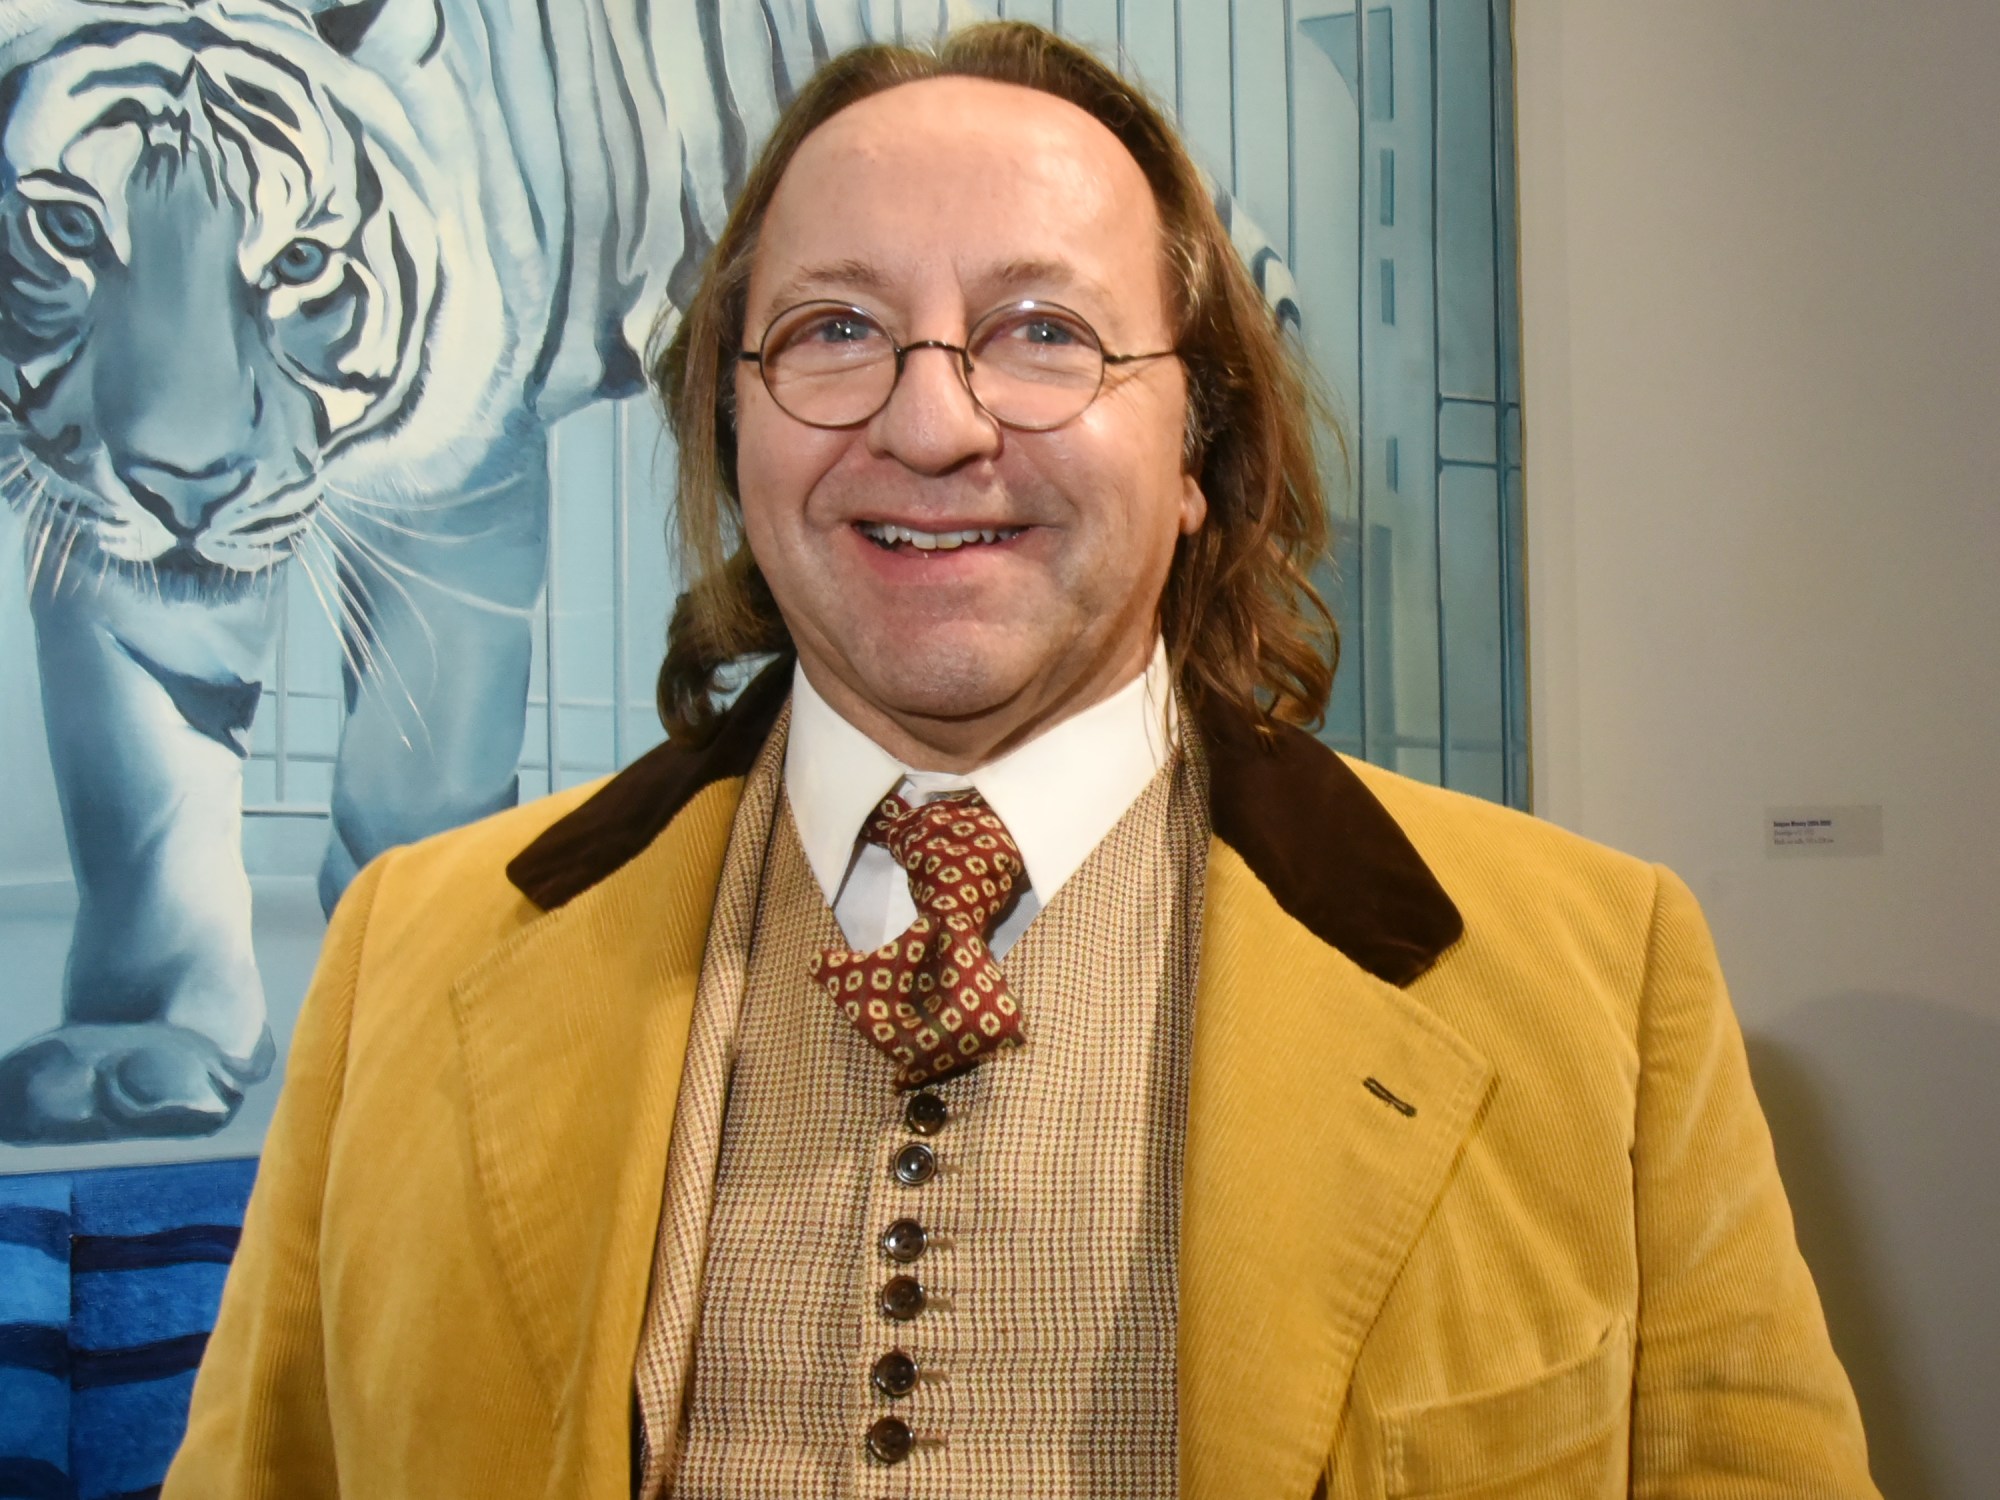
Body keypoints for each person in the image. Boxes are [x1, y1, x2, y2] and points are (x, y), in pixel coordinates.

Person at [165, 21, 1879, 1500]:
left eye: (1044, 331)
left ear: (1198, 440)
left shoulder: (1589, 981)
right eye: (833, 328)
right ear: (731, 424)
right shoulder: (411, 957)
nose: (931, 422)